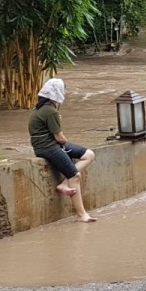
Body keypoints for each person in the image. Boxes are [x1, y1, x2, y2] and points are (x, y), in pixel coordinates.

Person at [28, 78, 96, 222]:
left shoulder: (41, 108)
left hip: (47, 145)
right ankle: (82, 215)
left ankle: (64, 182)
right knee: (75, 176)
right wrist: (64, 142)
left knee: (89, 154)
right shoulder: (50, 111)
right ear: (58, 93)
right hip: (48, 147)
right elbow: (59, 138)